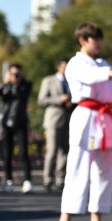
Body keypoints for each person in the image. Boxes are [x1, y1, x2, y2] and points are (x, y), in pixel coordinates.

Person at [51, 22, 112, 221]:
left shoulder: (103, 63)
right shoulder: (76, 63)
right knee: (78, 169)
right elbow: (95, 76)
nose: (98, 42)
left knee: (104, 171)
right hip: (86, 117)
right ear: (82, 40)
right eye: (94, 38)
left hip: (103, 120)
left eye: (99, 38)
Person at [0, 63, 33, 193]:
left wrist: (17, 85)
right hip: (5, 122)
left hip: (20, 122)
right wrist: (5, 82)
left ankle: (27, 180)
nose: (15, 76)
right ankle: (8, 180)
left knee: (23, 153)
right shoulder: (5, 85)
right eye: (13, 73)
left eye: (18, 74)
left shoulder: (25, 85)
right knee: (7, 153)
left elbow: (23, 98)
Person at [37, 59, 72, 192]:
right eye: (64, 66)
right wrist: (59, 99)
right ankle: (47, 179)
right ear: (58, 67)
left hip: (67, 120)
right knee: (52, 151)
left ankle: (60, 179)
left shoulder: (71, 81)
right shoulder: (49, 80)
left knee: (65, 151)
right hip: (53, 120)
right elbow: (42, 100)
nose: (66, 69)